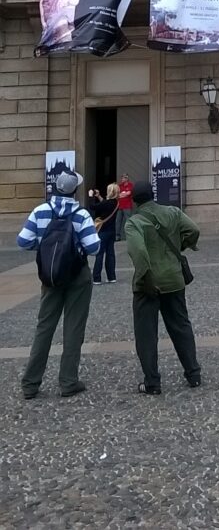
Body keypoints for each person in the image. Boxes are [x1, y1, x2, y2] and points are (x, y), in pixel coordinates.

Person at [17, 169, 100, 399]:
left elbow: (23, 241)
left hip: (50, 275)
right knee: (74, 329)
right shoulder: (81, 214)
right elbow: (94, 248)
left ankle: (30, 384)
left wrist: (45, 249)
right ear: (75, 191)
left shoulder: (40, 211)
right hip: (77, 275)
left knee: (44, 327)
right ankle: (68, 381)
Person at [124, 181, 201, 395]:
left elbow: (138, 252)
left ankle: (152, 382)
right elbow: (194, 230)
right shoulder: (173, 212)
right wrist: (181, 246)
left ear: (134, 200)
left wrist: (146, 277)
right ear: (152, 195)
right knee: (181, 326)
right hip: (174, 279)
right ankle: (193, 374)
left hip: (147, 285)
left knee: (146, 334)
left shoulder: (134, 222)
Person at [92, 183, 120, 284]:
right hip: (112, 231)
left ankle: (97, 278)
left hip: (103, 231)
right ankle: (111, 277)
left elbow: (93, 207)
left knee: (99, 254)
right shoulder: (116, 203)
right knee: (110, 254)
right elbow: (105, 204)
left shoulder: (106, 203)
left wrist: (92, 196)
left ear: (110, 192)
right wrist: (99, 196)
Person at [116, 173, 134, 241]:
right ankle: (117, 236)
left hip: (127, 206)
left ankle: (129, 236)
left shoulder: (130, 185)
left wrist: (123, 194)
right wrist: (124, 194)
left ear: (127, 178)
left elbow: (128, 193)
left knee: (128, 221)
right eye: (122, 177)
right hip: (120, 206)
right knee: (118, 221)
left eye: (124, 178)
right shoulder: (119, 186)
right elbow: (117, 195)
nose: (122, 179)